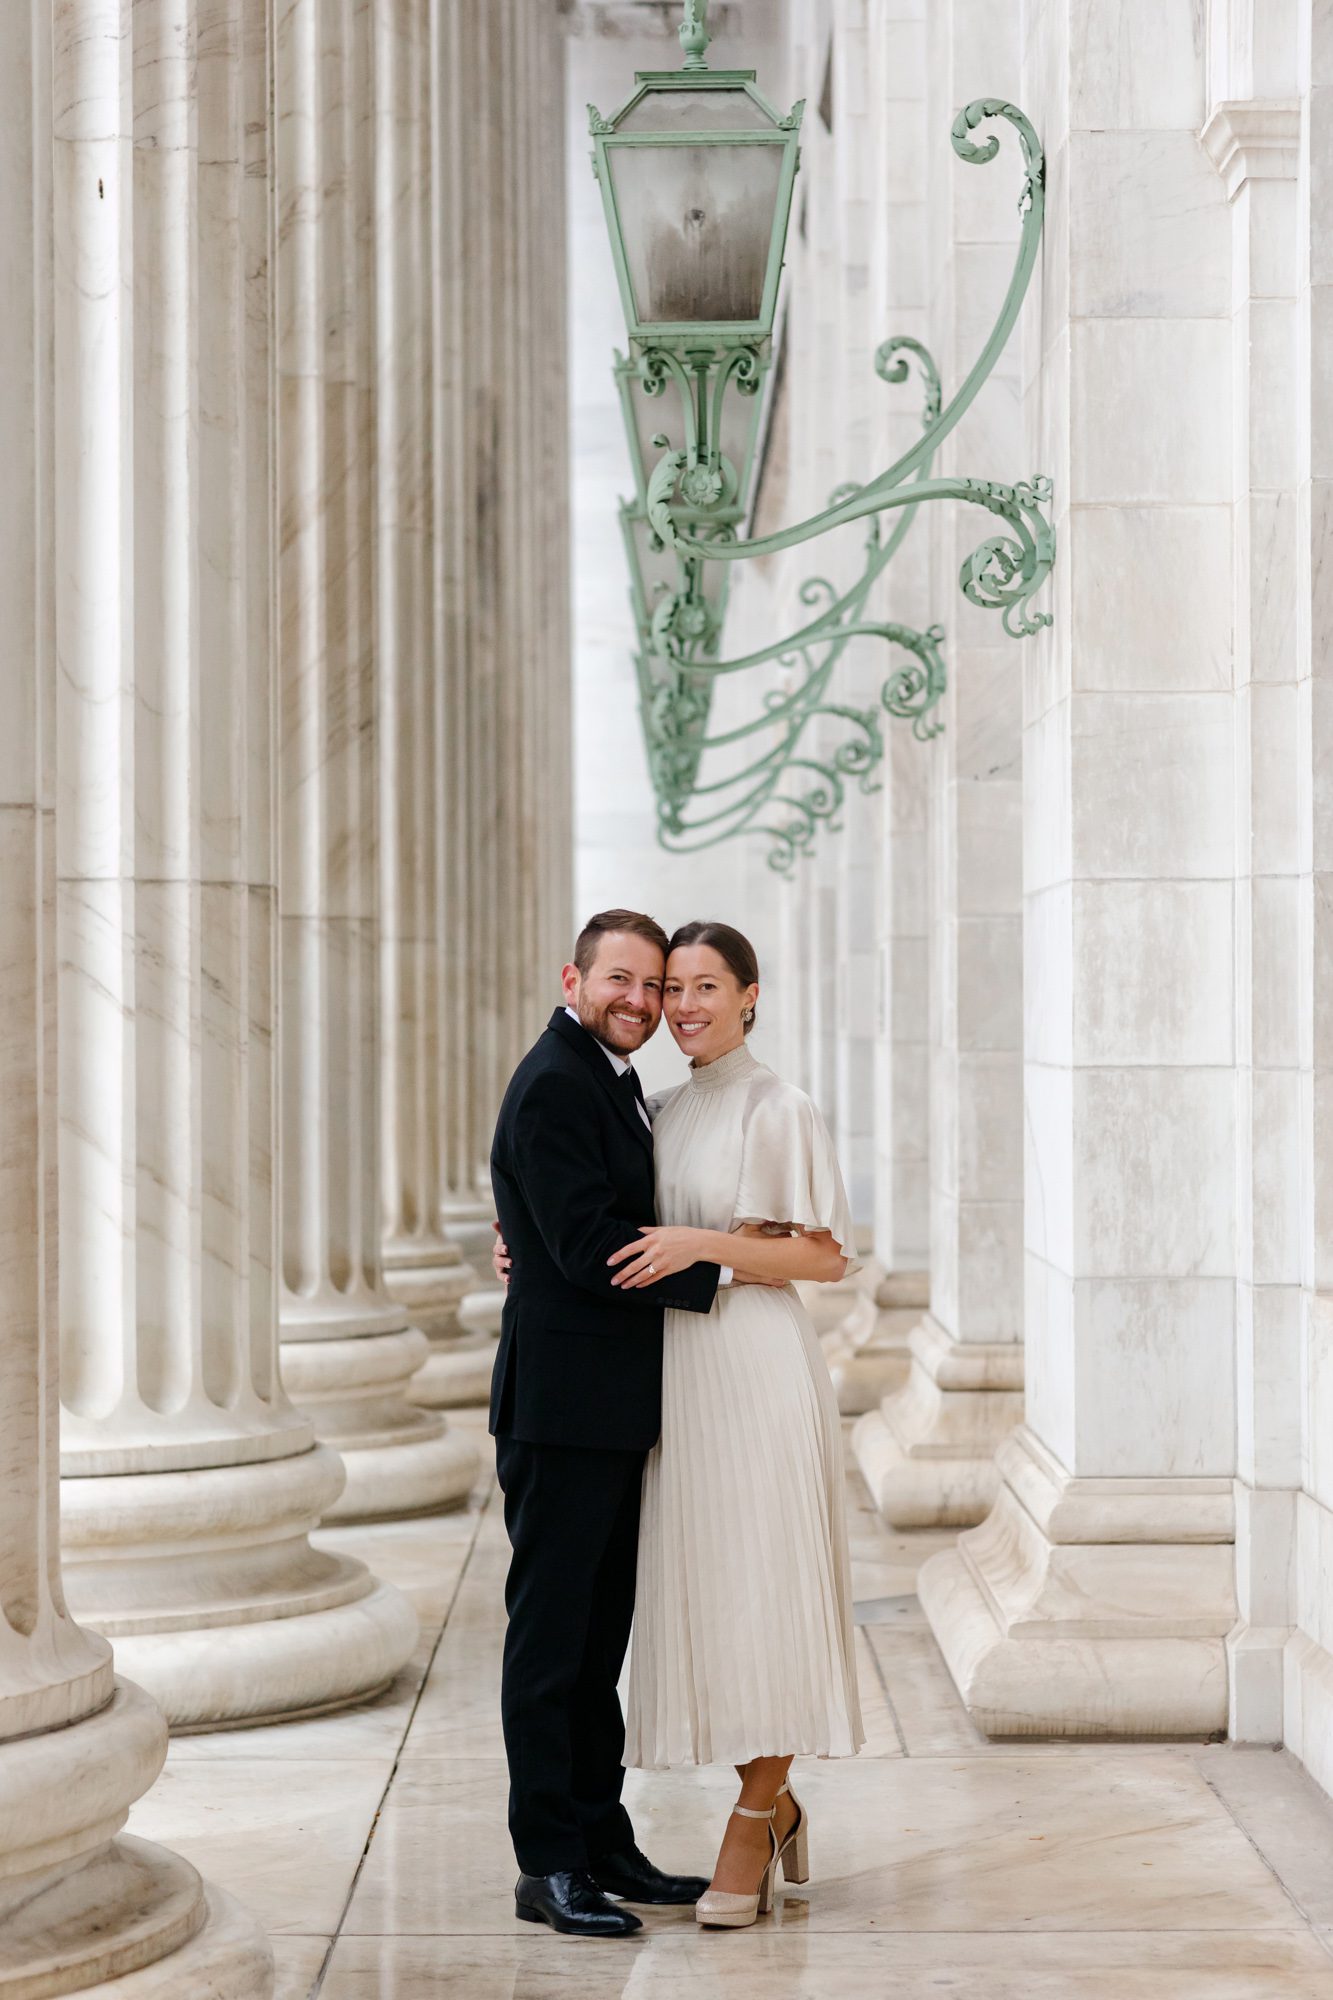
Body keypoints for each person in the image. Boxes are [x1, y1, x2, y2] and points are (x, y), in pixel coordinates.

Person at [495, 917, 864, 1934]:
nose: (674, 1003)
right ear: (581, 979)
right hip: (645, 1385)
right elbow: (582, 1228)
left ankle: (719, 1818)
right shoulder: (623, 1094)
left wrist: (690, 1242)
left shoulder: (760, 1104)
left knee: (742, 1595)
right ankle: (568, 1856)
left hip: (742, 1373)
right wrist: (523, 1234)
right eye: (662, 983)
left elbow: (826, 1256)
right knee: (584, 1633)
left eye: (695, 985)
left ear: (751, 994)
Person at [489, 909, 744, 1940]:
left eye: (655, 985)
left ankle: (602, 1838)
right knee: (553, 1649)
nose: (641, 1000)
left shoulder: (600, 1076)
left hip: (604, 1409)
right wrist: (738, 1266)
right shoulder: (556, 1078)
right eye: (624, 980)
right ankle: (547, 1861)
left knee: (597, 1647)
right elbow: (594, 1245)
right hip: (559, 1414)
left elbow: (552, 1220)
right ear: (575, 976)